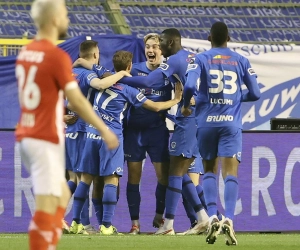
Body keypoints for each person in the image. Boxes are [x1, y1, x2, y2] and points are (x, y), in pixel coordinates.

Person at [15, 1, 118, 249]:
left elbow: (38, 99)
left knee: (61, 192)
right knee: (49, 204)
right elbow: (79, 103)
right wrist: (104, 129)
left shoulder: (26, 54)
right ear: (53, 19)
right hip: (44, 138)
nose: (68, 20)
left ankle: (49, 233)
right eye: (64, 15)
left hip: (26, 136)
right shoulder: (56, 56)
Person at [71, 50, 183, 235]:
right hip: (111, 136)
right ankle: (106, 226)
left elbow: (91, 66)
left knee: (86, 179)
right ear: (130, 67)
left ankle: (76, 223)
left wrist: (80, 60)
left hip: (91, 132)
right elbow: (155, 106)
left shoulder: (103, 76)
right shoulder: (129, 90)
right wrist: (176, 99)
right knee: (111, 179)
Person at [121, 28, 209, 235]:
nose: (156, 48)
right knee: (178, 170)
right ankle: (201, 218)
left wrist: (119, 78)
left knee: (175, 171)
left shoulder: (173, 61)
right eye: (151, 45)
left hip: (188, 119)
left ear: (169, 43)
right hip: (201, 119)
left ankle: (178, 223)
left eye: (159, 44)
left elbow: (148, 82)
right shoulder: (195, 56)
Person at [182, 21, 261, 245]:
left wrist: (188, 104)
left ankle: (213, 215)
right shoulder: (241, 60)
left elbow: (188, 87)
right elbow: (255, 93)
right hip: (230, 123)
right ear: (229, 38)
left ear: (209, 38)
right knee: (230, 173)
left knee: (208, 169)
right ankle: (229, 219)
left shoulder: (199, 59)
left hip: (207, 122)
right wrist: (236, 98)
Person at [66, 40, 131, 235]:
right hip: (87, 129)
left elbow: (66, 102)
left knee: (78, 178)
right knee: (86, 179)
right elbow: (103, 83)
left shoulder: (70, 74)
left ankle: (78, 222)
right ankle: (83, 223)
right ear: (95, 55)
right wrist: (120, 73)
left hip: (70, 131)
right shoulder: (88, 75)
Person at [123, 33, 173, 234]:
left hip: (157, 132)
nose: (151, 50)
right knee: (134, 177)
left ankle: (159, 216)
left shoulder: (169, 72)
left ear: (162, 50)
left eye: (155, 47)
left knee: (164, 178)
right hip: (134, 132)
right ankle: (135, 224)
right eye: (148, 47)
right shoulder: (134, 70)